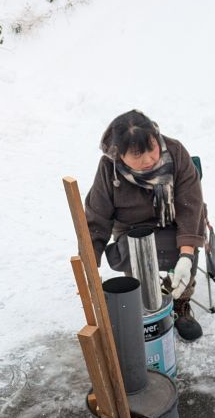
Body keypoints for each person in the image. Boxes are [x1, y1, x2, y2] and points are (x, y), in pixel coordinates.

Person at [85, 109, 206, 341]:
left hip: (173, 221)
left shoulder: (176, 152)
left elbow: (191, 205)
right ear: (119, 154)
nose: (149, 159)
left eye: (151, 148)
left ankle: (180, 303)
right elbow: (96, 218)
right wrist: (89, 265)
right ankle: (141, 302)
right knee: (135, 252)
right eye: (137, 154)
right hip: (131, 229)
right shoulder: (108, 169)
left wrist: (187, 255)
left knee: (186, 247)